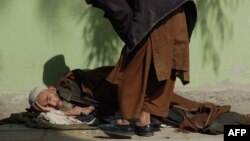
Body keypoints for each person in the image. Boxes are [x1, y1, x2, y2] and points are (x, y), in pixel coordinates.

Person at [84, 0, 197, 137]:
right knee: (161, 68)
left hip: (155, 17)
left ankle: (126, 121)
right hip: (178, 13)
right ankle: (145, 121)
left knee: (130, 71)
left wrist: (132, 40)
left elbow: (121, 13)